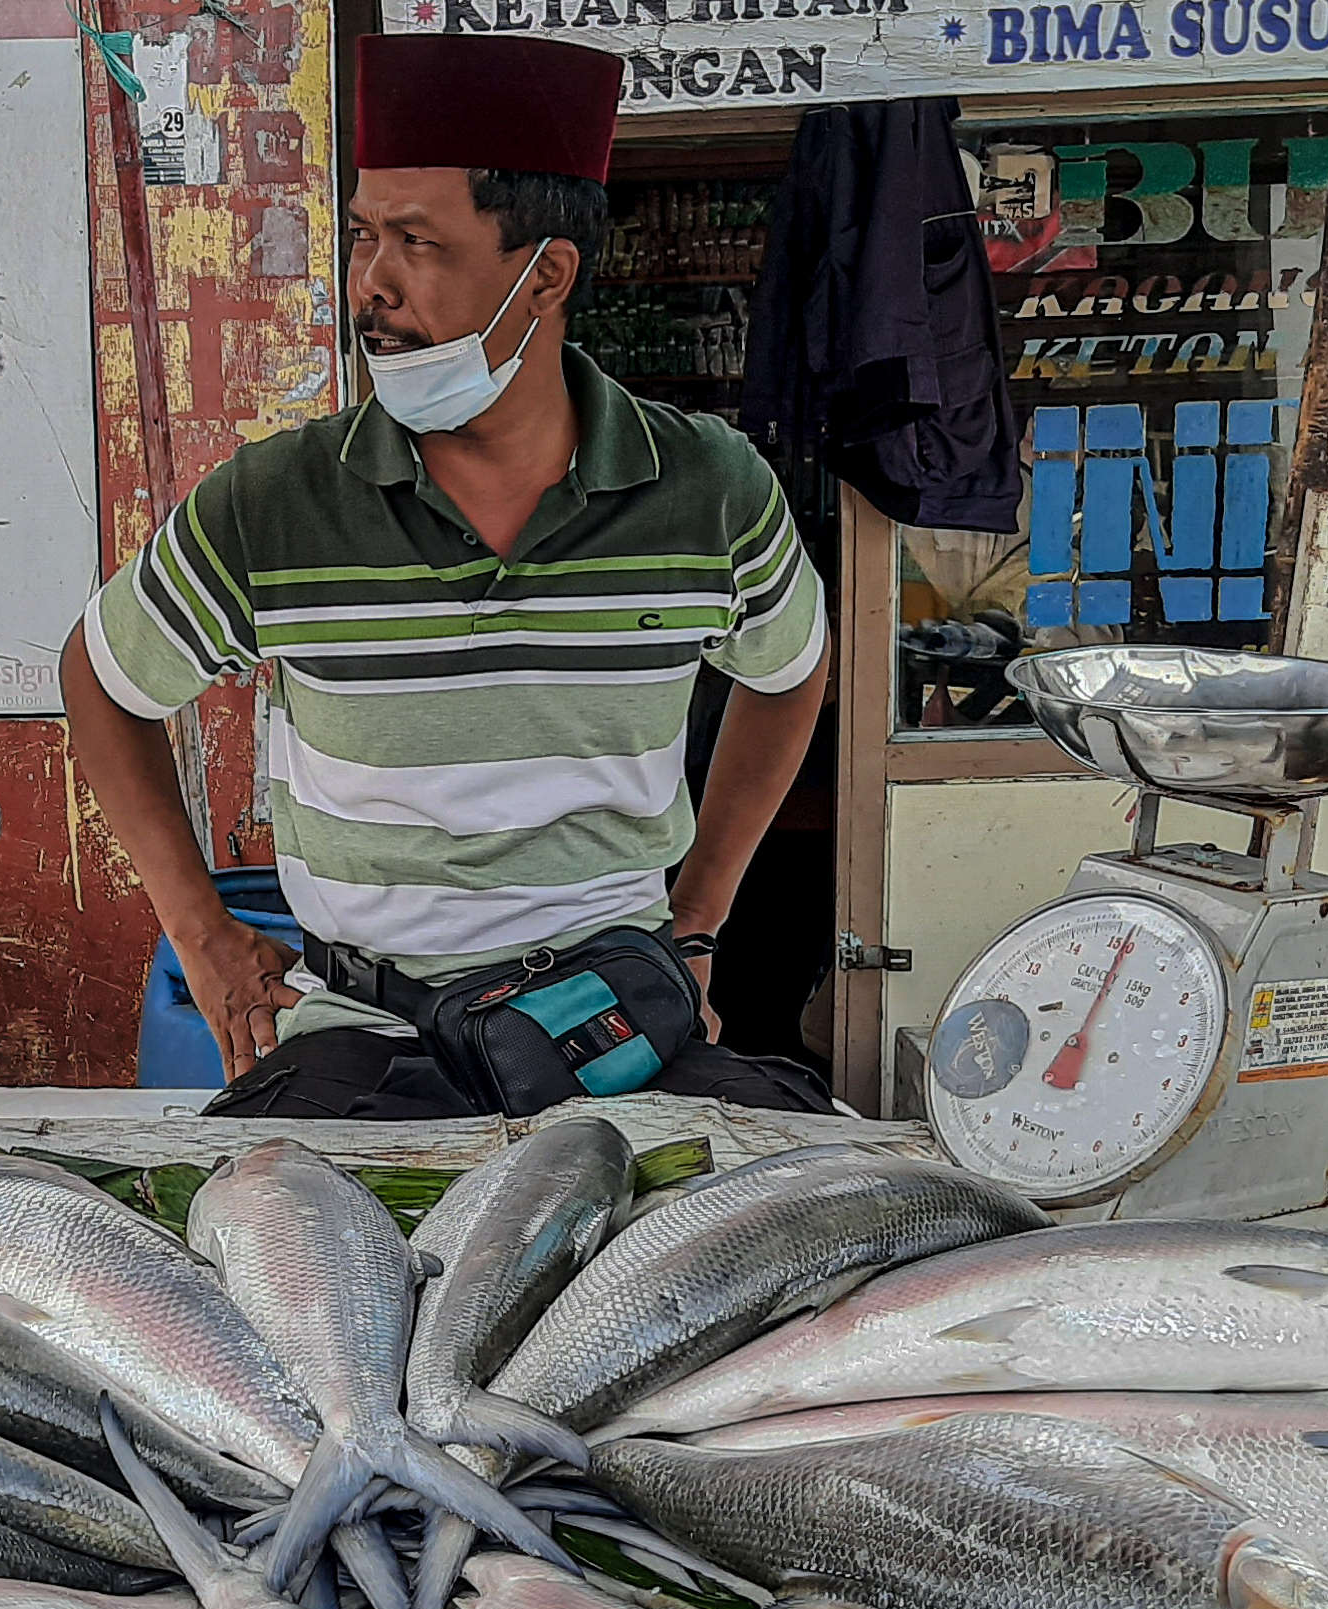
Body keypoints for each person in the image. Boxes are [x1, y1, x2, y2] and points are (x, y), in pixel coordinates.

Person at [61, 31, 836, 1119]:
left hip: (615, 1027)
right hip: (366, 1034)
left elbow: (789, 667)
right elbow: (103, 680)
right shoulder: (276, 505)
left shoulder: (705, 489)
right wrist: (200, 928)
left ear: (545, 276)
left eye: (415, 242)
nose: (369, 282)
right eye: (364, 234)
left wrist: (697, 914)